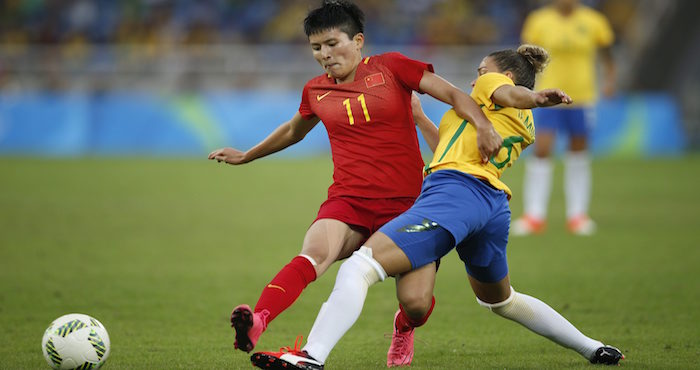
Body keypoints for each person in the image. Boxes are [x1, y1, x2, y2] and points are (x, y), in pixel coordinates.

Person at [250, 45, 624, 370]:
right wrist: (420, 118)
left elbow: (511, 93)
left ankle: (311, 356)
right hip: (491, 205)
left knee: (359, 266)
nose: (476, 79)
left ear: (504, 75)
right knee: (502, 301)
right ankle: (593, 348)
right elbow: (447, 150)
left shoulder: (497, 90)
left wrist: (538, 97)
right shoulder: (512, 122)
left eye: (481, 71)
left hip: (455, 194)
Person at [208, 0, 502, 363]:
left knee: (415, 303)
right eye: (316, 48)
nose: (325, 55)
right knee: (313, 254)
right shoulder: (315, 91)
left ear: (358, 40)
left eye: (333, 44)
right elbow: (292, 131)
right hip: (349, 201)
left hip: (410, 207)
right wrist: (247, 154)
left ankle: (404, 327)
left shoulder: (393, 67)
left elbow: (456, 96)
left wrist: (483, 125)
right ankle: (259, 319)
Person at [511, 0, 616, 236]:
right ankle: (534, 215)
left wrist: (610, 80)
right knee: (542, 151)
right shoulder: (538, 21)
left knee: (578, 153)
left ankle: (577, 216)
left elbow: (607, 53)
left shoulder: (594, 21)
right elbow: (525, 58)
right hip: (548, 97)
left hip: (582, 97)